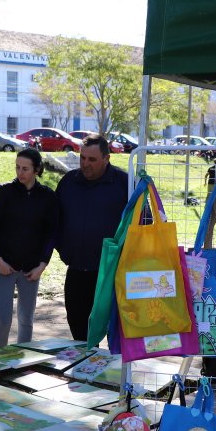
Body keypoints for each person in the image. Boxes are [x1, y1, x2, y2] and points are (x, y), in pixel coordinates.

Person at [0, 148, 58, 346]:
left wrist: (42, 264)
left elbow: (51, 232)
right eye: (17, 167)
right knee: (4, 320)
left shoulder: (47, 196)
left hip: (31, 269)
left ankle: (23, 362)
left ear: (37, 170)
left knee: (26, 320)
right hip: (2, 266)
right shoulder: (3, 191)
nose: (20, 173)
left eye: (25, 168)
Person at [55, 134, 128, 341]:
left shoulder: (124, 184)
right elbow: (54, 221)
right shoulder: (69, 181)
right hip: (77, 269)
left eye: (92, 159)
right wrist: (65, 250)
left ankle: (111, 371)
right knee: (78, 329)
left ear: (106, 158)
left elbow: (144, 221)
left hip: (112, 273)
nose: (85, 164)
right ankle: (83, 369)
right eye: (82, 158)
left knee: (115, 332)